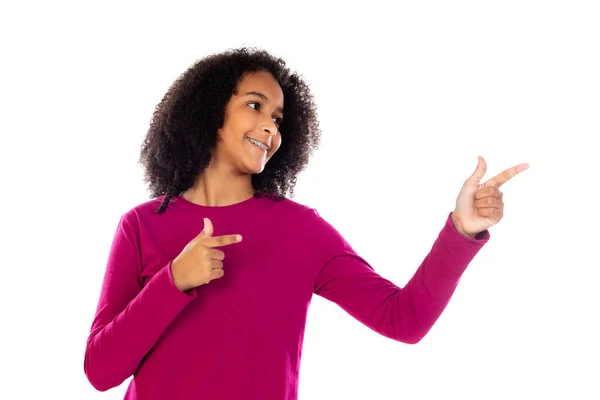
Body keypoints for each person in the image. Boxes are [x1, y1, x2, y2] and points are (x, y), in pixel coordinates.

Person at [83, 47, 529, 399]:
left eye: (277, 118)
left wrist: (461, 230)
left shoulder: (301, 232)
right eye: (254, 106)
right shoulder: (141, 226)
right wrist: (174, 281)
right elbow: (100, 371)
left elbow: (404, 319)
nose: (270, 128)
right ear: (207, 112)